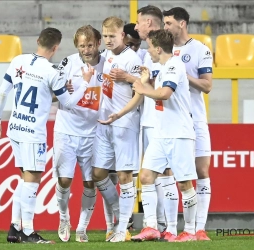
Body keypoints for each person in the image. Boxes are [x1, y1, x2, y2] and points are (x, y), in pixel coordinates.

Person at [0, 27, 91, 244]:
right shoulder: (52, 71)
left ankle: (14, 228)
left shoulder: (18, 60)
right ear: (56, 48)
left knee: (25, 179)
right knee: (32, 180)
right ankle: (28, 231)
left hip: (15, 128)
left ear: (38, 41)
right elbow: (69, 104)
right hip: (33, 133)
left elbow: (2, 92)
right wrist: (85, 83)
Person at [99, 29, 198, 242]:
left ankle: (190, 231)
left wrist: (143, 88)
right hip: (161, 134)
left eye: (151, 47)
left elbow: (164, 94)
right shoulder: (161, 68)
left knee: (184, 183)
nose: (148, 51)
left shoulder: (174, 65)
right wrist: (120, 112)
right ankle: (151, 226)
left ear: (159, 48)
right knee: (145, 177)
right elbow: (147, 91)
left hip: (179, 134)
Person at [163, 7, 213, 241]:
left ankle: (200, 228)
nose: (165, 28)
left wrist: (182, 74)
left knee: (201, 170)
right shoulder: (163, 50)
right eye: (164, 23)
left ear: (182, 24)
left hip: (196, 118)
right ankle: (173, 228)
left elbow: (207, 85)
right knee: (173, 173)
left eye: (169, 23)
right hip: (173, 121)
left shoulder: (200, 50)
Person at [91, 16, 142, 243]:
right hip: (104, 123)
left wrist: (120, 114)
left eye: (113, 36)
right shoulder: (106, 56)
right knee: (99, 174)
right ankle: (121, 218)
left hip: (124, 123)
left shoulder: (133, 58)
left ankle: (121, 229)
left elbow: (141, 93)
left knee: (124, 176)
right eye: (105, 36)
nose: (108, 40)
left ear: (123, 35)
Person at [53, 25, 105, 243]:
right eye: (82, 45)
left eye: (90, 45)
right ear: (77, 46)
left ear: (98, 44)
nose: (86, 49)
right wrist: (62, 91)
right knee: (64, 180)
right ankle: (64, 218)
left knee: (90, 182)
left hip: (93, 133)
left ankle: (82, 228)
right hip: (66, 130)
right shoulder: (68, 63)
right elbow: (53, 95)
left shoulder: (107, 64)